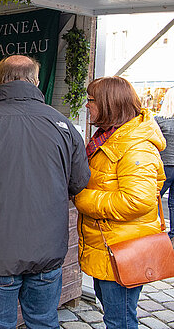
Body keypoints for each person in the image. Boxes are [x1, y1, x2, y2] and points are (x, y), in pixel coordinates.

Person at [0, 55, 90, 328]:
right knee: (44, 321)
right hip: (48, 250)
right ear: (35, 82)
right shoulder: (63, 124)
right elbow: (80, 181)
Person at [74, 77, 166, 328]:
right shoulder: (108, 138)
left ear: (108, 104)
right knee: (114, 316)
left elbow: (138, 200)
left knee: (120, 320)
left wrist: (82, 197)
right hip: (108, 247)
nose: (86, 106)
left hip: (123, 250)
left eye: (91, 100)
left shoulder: (136, 147)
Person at [156, 88, 174, 238]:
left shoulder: (158, 121)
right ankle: (172, 234)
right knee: (173, 204)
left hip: (164, 166)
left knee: (154, 200)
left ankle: (153, 232)